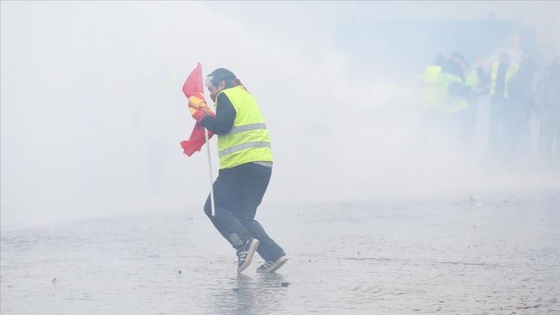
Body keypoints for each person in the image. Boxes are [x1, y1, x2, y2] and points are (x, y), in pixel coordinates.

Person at [190, 68, 288, 273]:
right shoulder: (245, 95)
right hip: (262, 165)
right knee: (243, 216)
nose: (210, 94)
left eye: (211, 89)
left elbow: (223, 125)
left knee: (214, 208)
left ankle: (242, 243)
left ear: (222, 85)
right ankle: (274, 255)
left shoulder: (226, 95)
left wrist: (202, 116)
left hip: (239, 166)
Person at [503, 58, 537, 167]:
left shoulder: (527, 80)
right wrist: (521, 111)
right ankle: (508, 164)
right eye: (531, 70)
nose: (532, 73)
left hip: (523, 117)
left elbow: (529, 98)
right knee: (513, 140)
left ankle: (523, 165)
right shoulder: (515, 80)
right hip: (514, 116)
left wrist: (536, 108)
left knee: (526, 140)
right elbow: (513, 99)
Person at [536, 56, 560, 171]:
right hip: (550, 112)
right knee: (547, 141)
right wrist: (543, 110)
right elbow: (541, 94)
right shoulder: (547, 76)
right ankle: (546, 168)